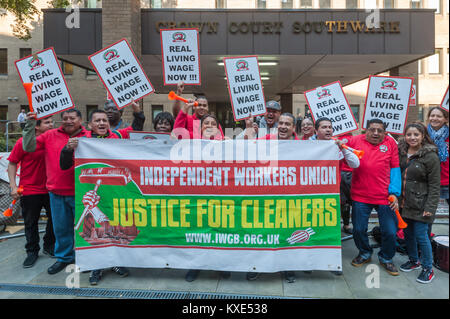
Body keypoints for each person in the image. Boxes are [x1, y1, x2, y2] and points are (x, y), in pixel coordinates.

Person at [61, 109, 131, 285]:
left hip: (114, 195)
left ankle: (115, 262)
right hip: (93, 197)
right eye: (97, 120)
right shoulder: (81, 141)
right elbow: (63, 165)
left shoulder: (117, 139)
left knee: (113, 228)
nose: (101, 123)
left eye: (104, 120)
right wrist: (67, 149)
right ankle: (96, 267)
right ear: (89, 125)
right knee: (93, 232)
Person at [22, 109, 88, 275]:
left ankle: (88, 258)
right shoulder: (50, 135)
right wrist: (29, 125)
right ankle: (64, 258)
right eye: (65, 118)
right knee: (61, 229)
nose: (68, 121)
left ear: (80, 120)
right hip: (57, 192)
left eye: (72, 118)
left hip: (82, 192)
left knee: (86, 229)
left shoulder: (89, 137)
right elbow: (29, 147)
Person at [346, 119, 401, 276]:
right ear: (366, 130)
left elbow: (395, 168)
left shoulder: (390, 143)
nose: (376, 133)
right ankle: (364, 253)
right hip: (360, 195)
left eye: (380, 130)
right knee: (358, 229)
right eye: (372, 130)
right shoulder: (354, 140)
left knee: (390, 231)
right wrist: (337, 143)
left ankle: (386, 258)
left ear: (385, 132)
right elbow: (338, 147)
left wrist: (394, 193)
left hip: (385, 197)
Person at [183, 113, 229, 282]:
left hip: (220, 197)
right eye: (205, 123)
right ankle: (195, 267)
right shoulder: (189, 146)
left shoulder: (227, 145)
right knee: (198, 232)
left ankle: (220, 265)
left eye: (213, 123)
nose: (209, 125)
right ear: (199, 127)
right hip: (198, 197)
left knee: (220, 231)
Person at [7, 116, 55, 268]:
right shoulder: (23, 143)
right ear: (36, 127)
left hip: (51, 189)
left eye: (52, 121)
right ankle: (32, 251)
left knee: (55, 220)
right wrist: (13, 186)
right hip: (30, 190)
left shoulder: (53, 141)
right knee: (30, 223)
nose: (51, 124)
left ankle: (49, 246)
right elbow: (12, 163)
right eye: (47, 123)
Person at [398, 123, 440, 284]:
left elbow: (435, 185)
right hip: (404, 203)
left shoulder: (430, 156)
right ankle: (414, 260)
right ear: (405, 136)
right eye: (409, 134)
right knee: (408, 235)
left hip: (422, 204)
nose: (412, 138)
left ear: (423, 136)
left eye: (416, 134)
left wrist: (430, 207)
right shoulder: (401, 152)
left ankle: (428, 269)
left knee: (422, 236)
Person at [426, 107, 449, 206]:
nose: (434, 118)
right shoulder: (422, 135)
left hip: (447, 180)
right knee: (427, 214)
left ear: (446, 119)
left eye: (439, 116)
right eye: (432, 115)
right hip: (427, 181)